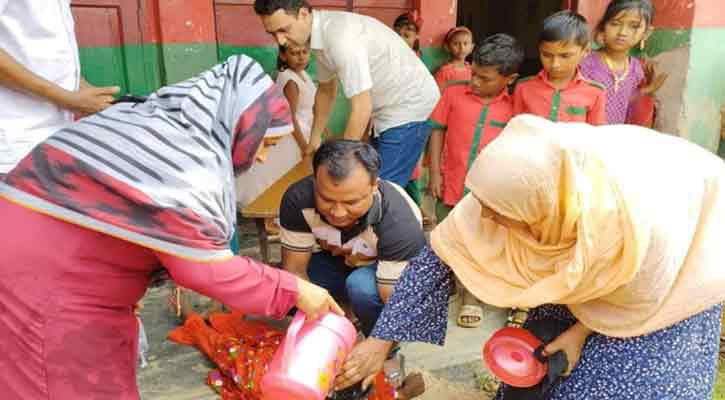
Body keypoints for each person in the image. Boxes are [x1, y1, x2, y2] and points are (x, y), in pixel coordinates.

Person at [0, 55, 342, 399]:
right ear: (240, 125)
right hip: (46, 285)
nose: (262, 158)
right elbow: (208, 272)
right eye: (264, 144)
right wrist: (295, 290)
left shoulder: (152, 125)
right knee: (61, 383)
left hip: (48, 264)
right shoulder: (188, 165)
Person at [337, 114, 725, 399]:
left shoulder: (635, 224)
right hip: (598, 256)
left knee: (618, 386)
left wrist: (579, 332)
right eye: (483, 202)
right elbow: (436, 261)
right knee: (538, 369)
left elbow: (642, 297)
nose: (484, 216)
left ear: (547, 208)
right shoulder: (519, 185)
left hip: (668, 285)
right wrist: (382, 339)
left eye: (498, 210)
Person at [254, 0, 440, 188]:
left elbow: (361, 107)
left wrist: (341, 162)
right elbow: (327, 90)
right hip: (387, 110)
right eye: (273, 33)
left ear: (303, 14)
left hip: (408, 106)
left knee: (381, 189)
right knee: (368, 182)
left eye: (284, 30)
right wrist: (314, 141)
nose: (280, 41)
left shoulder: (339, 38)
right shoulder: (318, 37)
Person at [278, 140, 426, 337]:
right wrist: (329, 326)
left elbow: (395, 304)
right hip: (332, 260)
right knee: (281, 287)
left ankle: (385, 348)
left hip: (383, 272)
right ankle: (339, 317)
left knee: (362, 288)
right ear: (315, 182)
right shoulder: (298, 198)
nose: (338, 213)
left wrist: (376, 348)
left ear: (374, 187)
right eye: (327, 199)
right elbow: (295, 271)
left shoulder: (400, 221)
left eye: (351, 202)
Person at [428, 33, 523, 328]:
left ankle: (472, 295)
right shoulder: (454, 92)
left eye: (485, 78)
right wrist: (434, 172)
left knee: (481, 241)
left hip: (489, 191)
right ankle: (447, 286)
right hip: (452, 182)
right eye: (474, 74)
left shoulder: (515, 106)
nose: (476, 82)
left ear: (509, 78)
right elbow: (437, 131)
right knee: (450, 237)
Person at [0, 0, 120, 176]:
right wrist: (67, 99)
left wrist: (81, 88)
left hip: (53, 137)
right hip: (15, 140)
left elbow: (40, 44)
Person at [235, 42, 317, 214]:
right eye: (294, 53)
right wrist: (304, 146)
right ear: (283, 56)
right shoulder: (289, 79)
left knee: (288, 175)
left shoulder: (302, 75)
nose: (301, 57)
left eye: (304, 52)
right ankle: (271, 212)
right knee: (279, 175)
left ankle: (285, 210)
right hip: (294, 135)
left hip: (307, 130)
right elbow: (291, 116)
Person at [580, 0, 667, 126]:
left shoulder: (637, 69)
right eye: (615, 24)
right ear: (603, 26)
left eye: (634, 26)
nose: (622, 32)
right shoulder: (586, 63)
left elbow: (625, 102)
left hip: (617, 139)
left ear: (646, 33)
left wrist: (646, 91)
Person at [513, 11, 607, 125]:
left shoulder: (595, 92)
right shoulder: (523, 87)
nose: (555, 64)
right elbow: (515, 132)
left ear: (586, 51)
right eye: (547, 55)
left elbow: (595, 136)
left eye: (565, 56)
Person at [434, 26, 474, 90]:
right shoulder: (444, 72)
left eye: (465, 43)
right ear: (447, 47)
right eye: (456, 44)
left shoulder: (473, 70)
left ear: (471, 48)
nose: (461, 47)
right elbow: (437, 94)